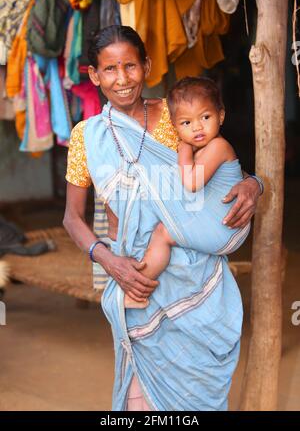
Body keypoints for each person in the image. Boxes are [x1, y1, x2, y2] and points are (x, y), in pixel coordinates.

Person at [63, 25, 263, 411]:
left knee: (196, 397)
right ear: (93, 75)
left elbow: (226, 167)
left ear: (147, 66)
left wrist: (255, 184)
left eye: (131, 66)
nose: (122, 79)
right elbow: (72, 218)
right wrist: (110, 261)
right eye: (109, 69)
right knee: (141, 399)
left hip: (196, 275)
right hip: (138, 276)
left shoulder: (180, 117)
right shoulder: (87, 137)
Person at [123, 76, 250, 309]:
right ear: (174, 126)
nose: (197, 127)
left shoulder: (218, 146)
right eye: (186, 123)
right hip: (218, 221)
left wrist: (183, 150)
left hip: (226, 229)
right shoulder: (205, 147)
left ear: (221, 116)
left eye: (205, 117)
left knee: (162, 233)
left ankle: (137, 290)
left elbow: (191, 183)